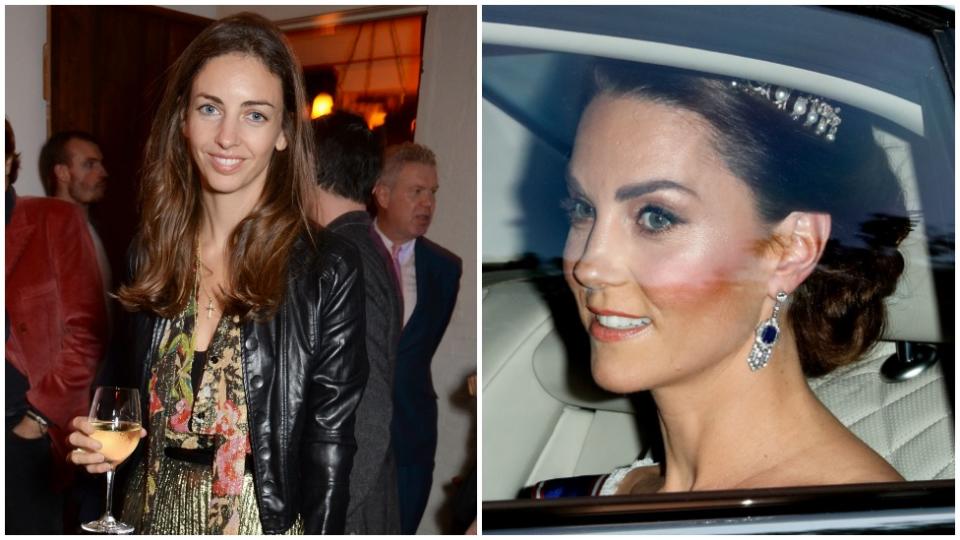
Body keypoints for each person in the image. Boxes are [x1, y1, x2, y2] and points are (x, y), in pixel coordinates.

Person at [528, 61, 909, 497]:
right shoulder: (568, 500)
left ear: (790, 249)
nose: (588, 265)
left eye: (656, 216)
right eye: (582, 209)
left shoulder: (856, 522)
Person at [66, 13, 368, 534]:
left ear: (283, 133)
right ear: (183, 118)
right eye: (210, 108)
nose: (227, 137)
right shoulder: (151, 251)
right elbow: (136, 406)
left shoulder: (326, 268)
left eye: (254, 115)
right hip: (146, 518)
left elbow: (330, 445)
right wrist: (109, 450)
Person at [6, 118, 109, 533]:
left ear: (8, 162)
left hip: (21, 434)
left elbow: (87, 334)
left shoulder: (53, 221)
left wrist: (36, 420)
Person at [310, 111, 403, 533]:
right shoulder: (364, 247)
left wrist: (331, 514)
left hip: (348, 507)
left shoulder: (342, 259)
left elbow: (369, 405)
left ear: (307, 168)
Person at [372, 142, 462, 533]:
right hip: (346, 435)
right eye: (416, 191)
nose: (427, 203)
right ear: (383, 193)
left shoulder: (445, 268)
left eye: (433, 193)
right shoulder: (345, 253)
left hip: (411, 436)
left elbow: (418, 349)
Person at [38, 131, 112, 291]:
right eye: (89, 164)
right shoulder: (46, 238)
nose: (103, 173)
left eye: (100, 164)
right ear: (62, 173)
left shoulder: (97, 230)